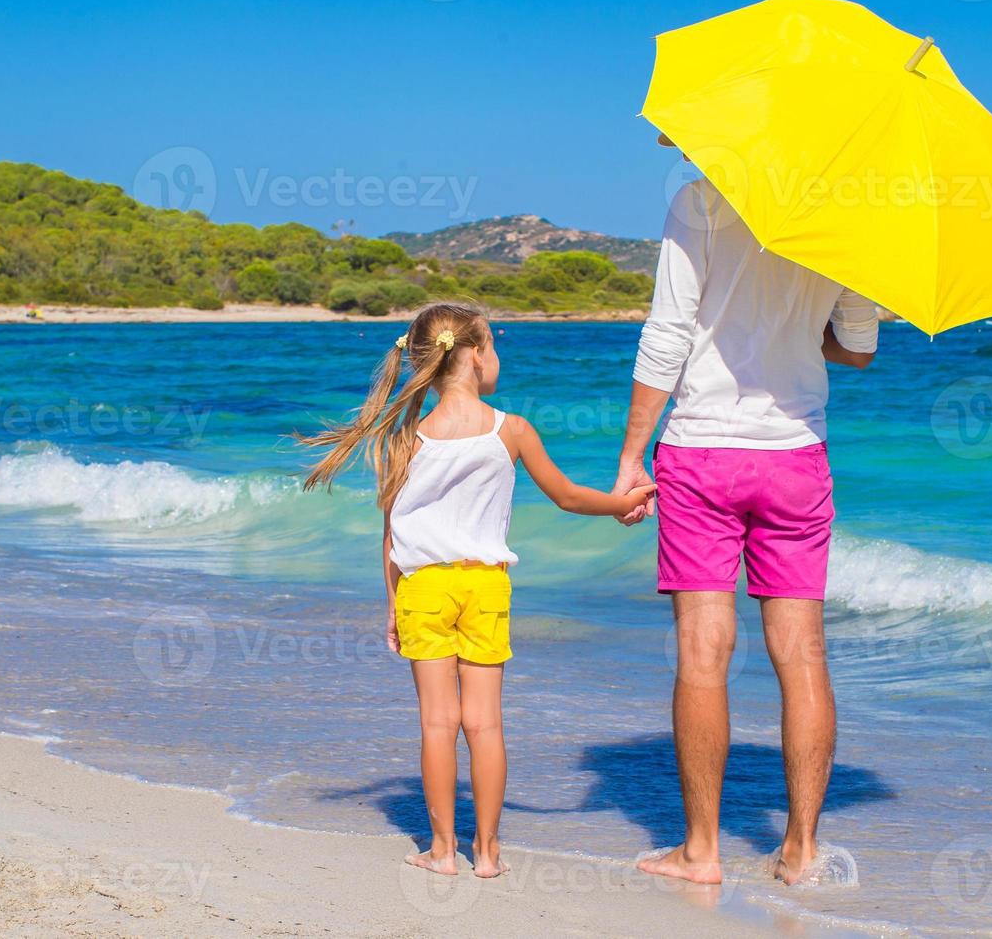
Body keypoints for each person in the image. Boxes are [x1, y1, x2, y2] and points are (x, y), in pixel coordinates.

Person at [301, 302, 656, 879]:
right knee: (485, 725)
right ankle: (488, 854)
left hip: (423, 589)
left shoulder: (405, 438)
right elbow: (567, 496)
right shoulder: (509, 429)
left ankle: (442, 852)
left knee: (437, 724)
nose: (496, 357)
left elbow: (392, 533)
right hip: (486, 587)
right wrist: (623, 505)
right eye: (493, 346)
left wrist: (392, 603)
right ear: (472, 356)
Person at [613, 176, 879, 887]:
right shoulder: (851, 211)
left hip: (701, 448)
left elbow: (668, 331)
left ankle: (701, 851)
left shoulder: (700, 199)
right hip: (794, 453)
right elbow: (857, 350)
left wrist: (631, 455)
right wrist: (799, 321)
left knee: (702, 651)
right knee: (801, 654)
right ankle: (799, 850)